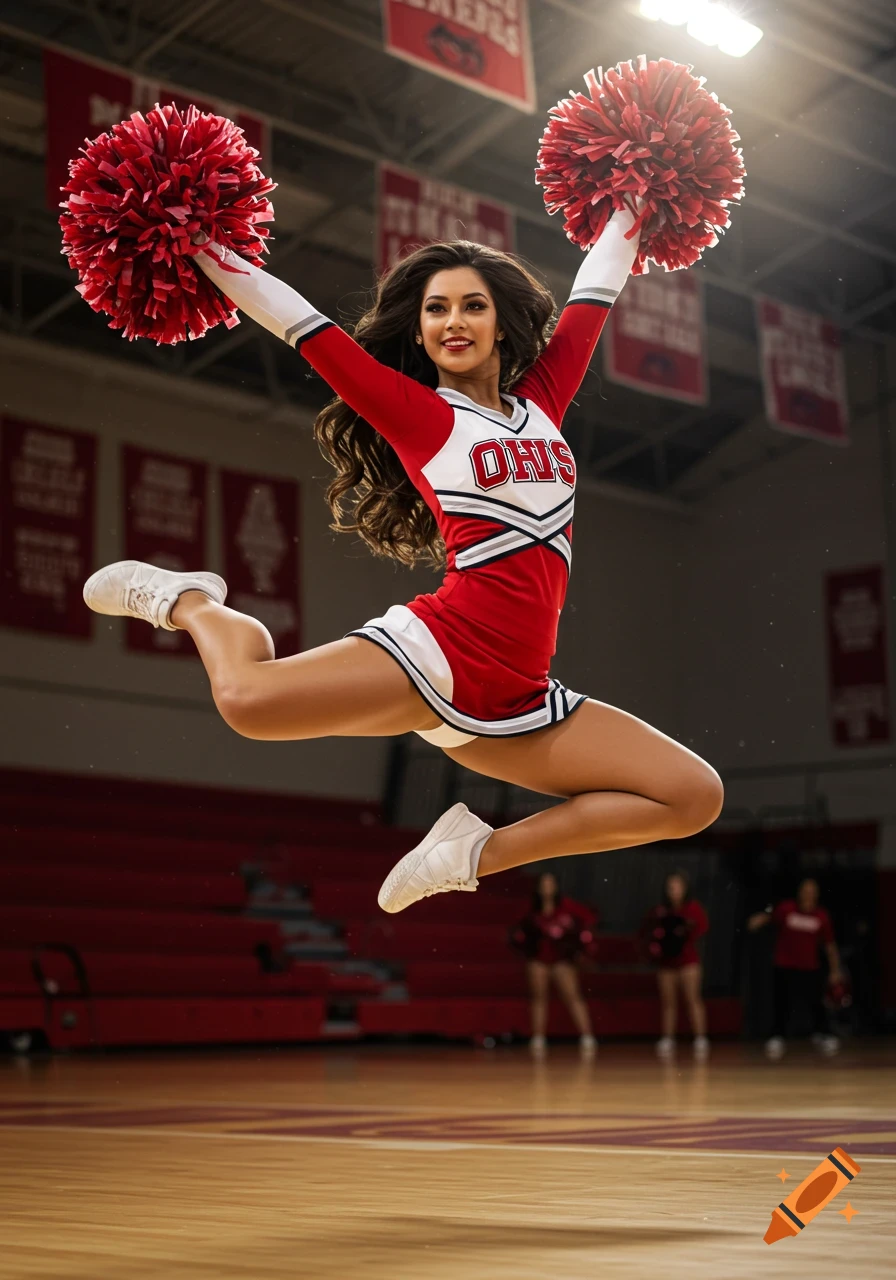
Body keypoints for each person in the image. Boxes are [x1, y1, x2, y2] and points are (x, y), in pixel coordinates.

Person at [83, 208, 723, 912]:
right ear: (417, 331)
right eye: (436, 308)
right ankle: (190, 602)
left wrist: (637, 194)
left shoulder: (543, 400)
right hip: (441, 653)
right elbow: (299, 322)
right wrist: (194, 239)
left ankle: (474, 853)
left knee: (692, 796)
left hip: (519, 695)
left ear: (501, 324)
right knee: (246, 702)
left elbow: (596, 288)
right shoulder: (418, 414)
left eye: (473, 306)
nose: (454, 321)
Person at [748, 878, 841, 1059]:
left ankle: (823, 1034)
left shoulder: (821, 916)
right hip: (785, 965)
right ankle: (777, 1036)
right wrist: (759, 919)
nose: (807, 893)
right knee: (781, 1003)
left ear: (816, 894)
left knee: (816, 1003)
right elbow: (770, 916)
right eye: (805, 889)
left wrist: (835, 970)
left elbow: (830, 945)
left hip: (810, 966)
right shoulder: (787, 909)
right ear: (799, 892)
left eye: (811, 890)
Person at [510, 871, 597, 1056]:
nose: (547, 888)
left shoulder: (568, 907)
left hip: (562, 960)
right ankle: (538, 1037)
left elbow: (588, 920)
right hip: (538, 959)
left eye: (550, 884)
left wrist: (577, 949)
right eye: (544, 884)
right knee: (538, 997)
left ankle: (587, 1036)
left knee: (573, 996)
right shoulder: (532, 910)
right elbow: (519, 932)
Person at [642, 870, 709, 1060]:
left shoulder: (693, 909)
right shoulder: (660, 910)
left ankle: (700, 1038)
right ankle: (668, 1038)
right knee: (668, 1002)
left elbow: (701, 928)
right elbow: (650, 932)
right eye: (671, 887)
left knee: (693, 999)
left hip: (688, 960)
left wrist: (684, 930)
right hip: (667, 962)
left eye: (678, 887)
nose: (674, 891)